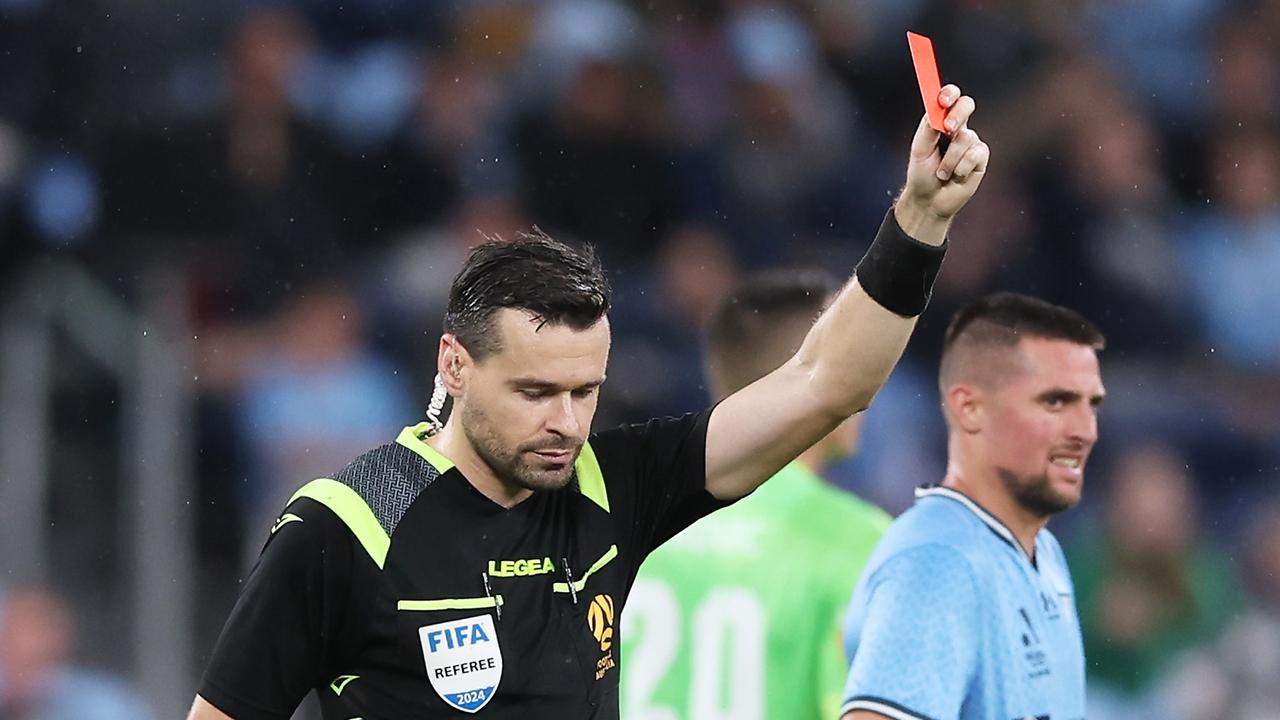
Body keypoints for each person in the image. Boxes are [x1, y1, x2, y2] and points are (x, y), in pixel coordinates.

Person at [188, 83, 989, 719]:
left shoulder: (614, 485)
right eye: (535, 391)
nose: (566, 422)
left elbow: (827, 383)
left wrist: (920, 218)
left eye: (585, 391)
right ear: (455, 366)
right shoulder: (346, 527)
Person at [620, 270, 891, 719]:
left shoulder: (631, 525)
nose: (872, 383)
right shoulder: (859, 540)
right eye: (857, 361)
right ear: (820, 376)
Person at [840, 292, 1106, 720]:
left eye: (1091, 404)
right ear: (970, 408)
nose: (1085, 431)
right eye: (1055, 401)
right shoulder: (938, 562)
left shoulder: (1045, 554)